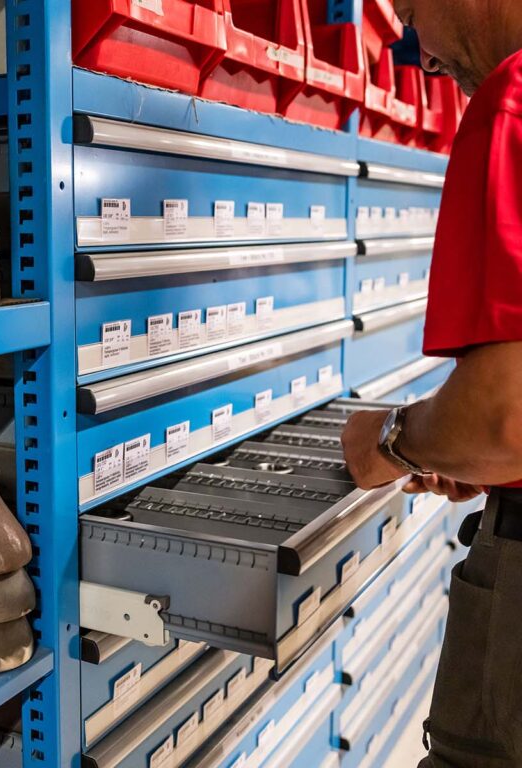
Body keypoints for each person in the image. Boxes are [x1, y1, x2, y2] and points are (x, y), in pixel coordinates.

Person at [340, 1, 522, 765]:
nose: (418, 48)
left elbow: (505, 417)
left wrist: (391, 442)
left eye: (412, 9)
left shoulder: (514, 97)